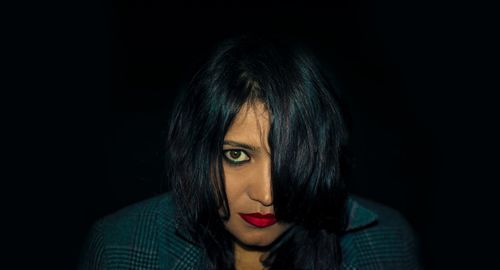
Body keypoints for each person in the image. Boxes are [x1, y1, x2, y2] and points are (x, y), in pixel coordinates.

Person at [78, 35, 420, 270]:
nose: (267, 195)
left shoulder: (388, 240)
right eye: (237, 155)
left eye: (292, 156)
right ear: (197, 151)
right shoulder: (120, 246)